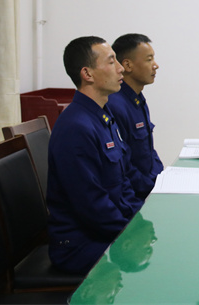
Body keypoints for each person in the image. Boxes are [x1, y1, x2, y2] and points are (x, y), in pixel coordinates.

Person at [47, 36, 142, 275]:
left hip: (104, 231)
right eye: (111, 62)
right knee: (156, 262)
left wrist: (141, 219)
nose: (120, 68)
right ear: (87, 74)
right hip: (81, 245)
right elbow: (91, 205)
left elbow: (123, 181)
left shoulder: (103, 116)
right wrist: (130, 233)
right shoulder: (76, 127)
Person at [107, 34, 163, 200]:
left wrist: (161, 178)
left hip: (148, 187)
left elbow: (149, 152)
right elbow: (124, 165)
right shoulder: (115, 105)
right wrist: (152, 186)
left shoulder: (137, 99)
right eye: (149, 59)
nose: (156, 65)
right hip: (136, 194)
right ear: (127, 65)